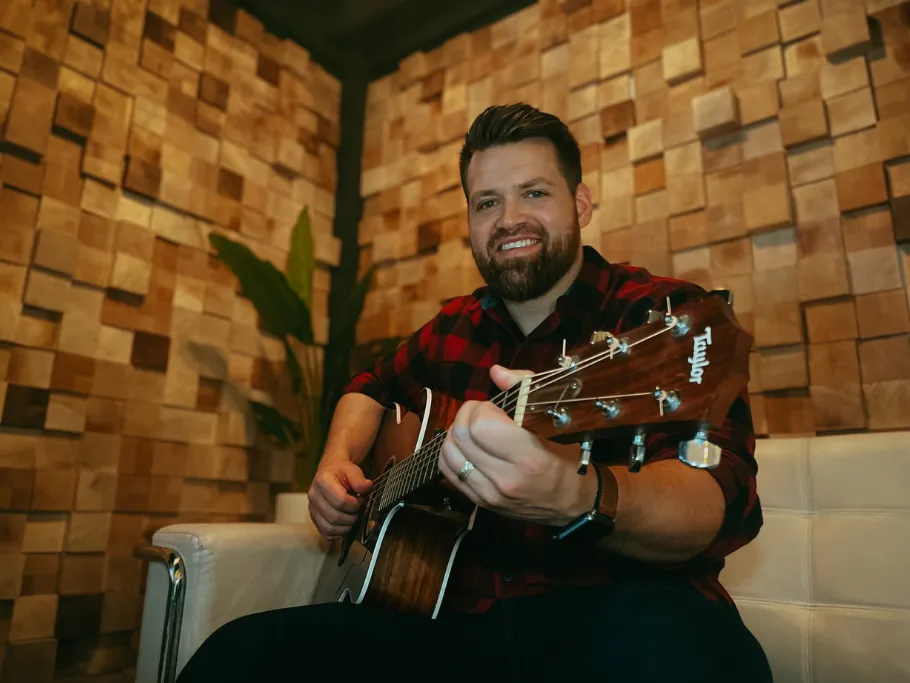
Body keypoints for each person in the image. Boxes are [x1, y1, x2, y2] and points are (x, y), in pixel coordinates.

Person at [178, 103, 772, 683]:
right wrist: (336, 462)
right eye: (488, 202)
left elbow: (719, 501)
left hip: (615, 613)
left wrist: (574, 493)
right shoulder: (452, 328)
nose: (509, 218)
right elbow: (369, 386)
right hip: (444, 624)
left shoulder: (660, 317)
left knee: (696, 658)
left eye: (534, 192)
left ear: (581, 204)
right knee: (236, 656)